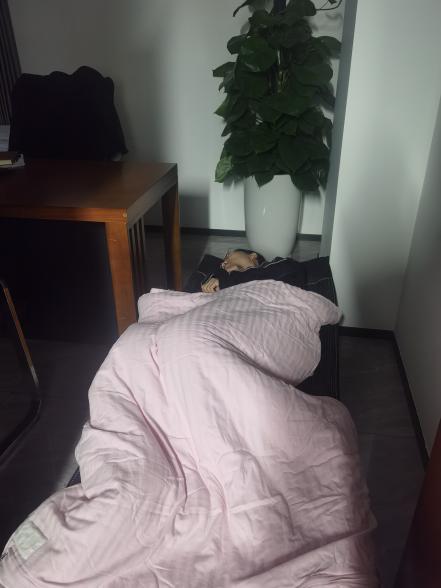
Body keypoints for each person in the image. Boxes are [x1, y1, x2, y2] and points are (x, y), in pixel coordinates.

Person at [200, 248, 306, 293]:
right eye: (223, 262)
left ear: (252, 256)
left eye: (229, 256)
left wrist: (233, 277)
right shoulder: (225, 277)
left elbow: (293, 269)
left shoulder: (278, 264)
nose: (225, 261)